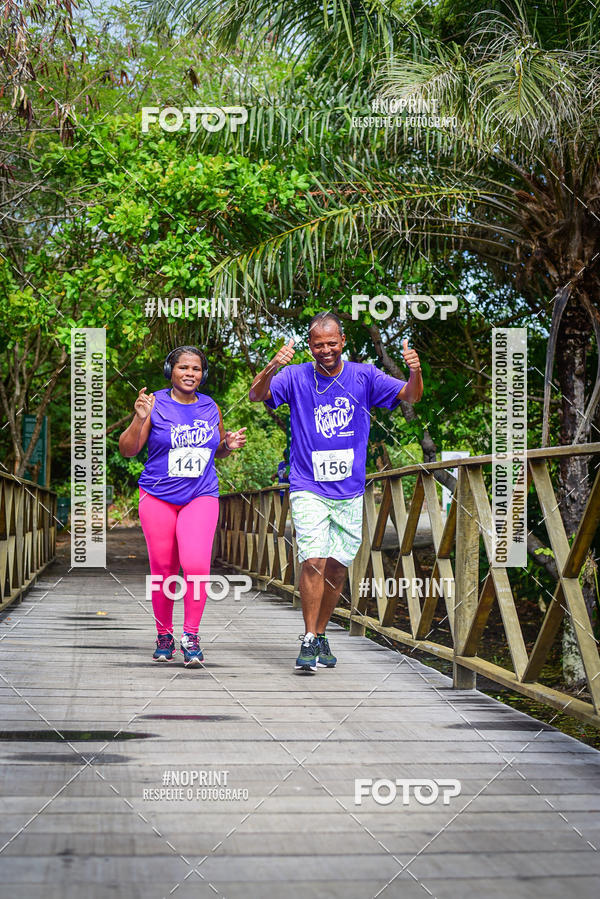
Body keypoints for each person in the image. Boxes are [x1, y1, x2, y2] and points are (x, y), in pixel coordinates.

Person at [248, 313, 422, 673]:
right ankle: (309, 638)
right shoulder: (296, 375)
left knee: (338, 568)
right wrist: (271, 367)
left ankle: (322, 632)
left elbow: (410, 395)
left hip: (350, 489)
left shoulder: (364, 375)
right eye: (317, 344)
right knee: (313, 558)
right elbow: (256, 395)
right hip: (307, 484)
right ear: (310, 346)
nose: (324, 350)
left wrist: (415, 371)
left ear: (342, 341)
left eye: (331, 343)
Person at [119, 346, 246, 667]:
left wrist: (227, 446)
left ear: (203, 374)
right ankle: (164, 634)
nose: (190, 374)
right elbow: (128, 450)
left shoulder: (209, 406)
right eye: (183, 368)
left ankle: (191, 635)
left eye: (196, 369)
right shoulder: (155, 404)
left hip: (200, 495)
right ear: (170, 371)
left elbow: (216, 450)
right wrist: (139, 418)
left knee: (195, 566)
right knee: (163, 570)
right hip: (158, 496)